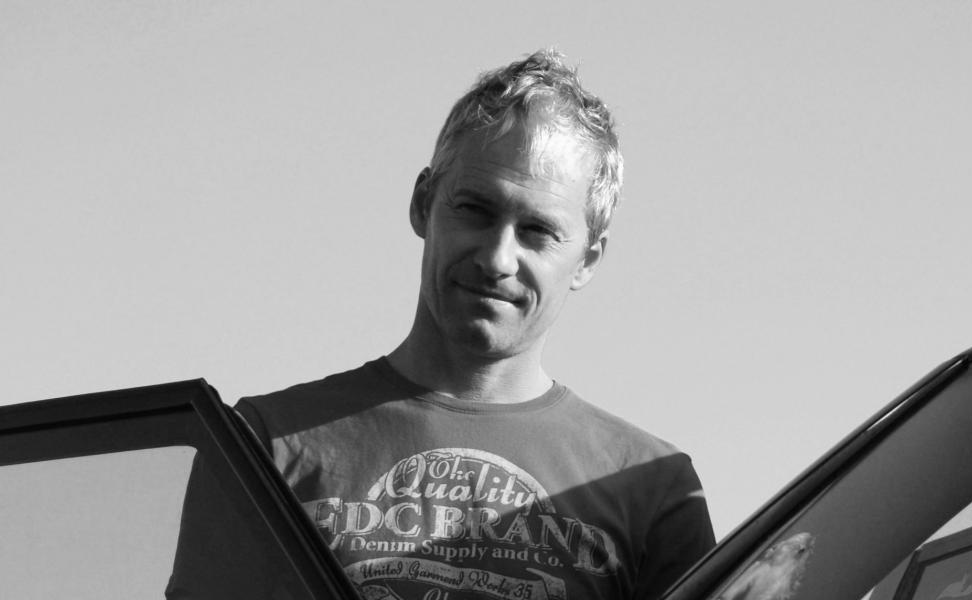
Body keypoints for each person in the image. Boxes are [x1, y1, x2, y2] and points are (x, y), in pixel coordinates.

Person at [168, 48, 715, 600]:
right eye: (475, 210)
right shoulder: (264, 445)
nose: (498, 259)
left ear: (587, 260)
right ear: (422, 202)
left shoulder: (652, 489)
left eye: (537, 231)